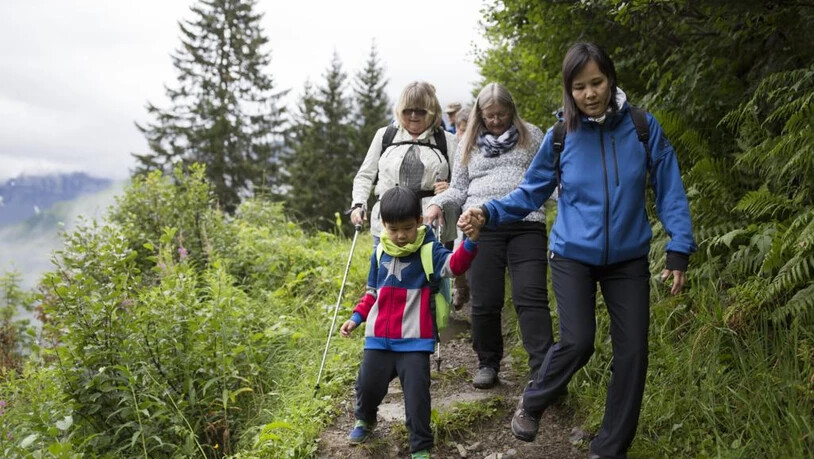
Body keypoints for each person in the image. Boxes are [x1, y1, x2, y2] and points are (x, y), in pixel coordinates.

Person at [458, 42, 696, 458]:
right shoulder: (560, 136)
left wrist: (679, 246)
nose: (590, 94)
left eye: (597, 83)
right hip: (572, 255)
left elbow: (669, 187)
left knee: (633, 353)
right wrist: (488, 212)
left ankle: (609, 448)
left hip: (628, 258)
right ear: (569, 90)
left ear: (611, 80)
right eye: (580, 86)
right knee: (578, 340)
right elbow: (530, 193)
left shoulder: (642, 127)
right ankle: (533, 400)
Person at [425, 83, 554, 389]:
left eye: (502, 114)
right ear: (480, 115)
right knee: (485, 298)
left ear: (513, 110)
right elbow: (457, 188)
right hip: (481, 227)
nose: (496, 121)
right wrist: (436, 204)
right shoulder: (468, 142)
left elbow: (547, 178)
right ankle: (487, 363)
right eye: (490, 115)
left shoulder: (533, 135)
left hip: (527, 221)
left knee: (531, 296)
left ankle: (544, 371)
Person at [340, 186, 480, 459]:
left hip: (415, 340)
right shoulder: (379, 252)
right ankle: (365, 420)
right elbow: (372, 293)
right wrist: (356, 318)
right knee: (367, 386)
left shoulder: (430, 250)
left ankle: (420, 446)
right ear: (383, 225)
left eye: (407, 228)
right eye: (394, 229)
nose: (401, 236)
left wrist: (471, 243)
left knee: (417, 398)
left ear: (419, 220)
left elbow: (455, 266)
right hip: (378, 338)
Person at [350, 82, 458, 246]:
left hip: (432, 227)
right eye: (408, 110)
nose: (413, 115)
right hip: (388, 226)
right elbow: (365, 175)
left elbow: (463, 183)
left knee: (431, 272)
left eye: (420, 110)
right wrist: (358, 204)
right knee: (385, 271)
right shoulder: (385, 136)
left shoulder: (448, 141)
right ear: (400, 110)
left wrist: (450, 188)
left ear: (432, 111)